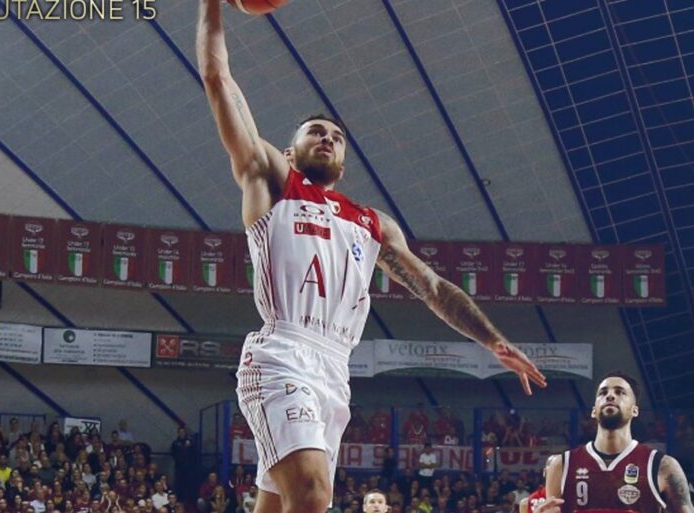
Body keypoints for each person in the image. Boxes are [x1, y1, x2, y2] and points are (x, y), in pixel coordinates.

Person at [196, 2, 547, 513]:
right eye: (316, 132)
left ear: (343, 163)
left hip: (335, 370)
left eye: (337, 137)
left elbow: (433, 288)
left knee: (287, 503)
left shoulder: (372, 223)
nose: (328, 138)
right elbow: (217, 77)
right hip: (284, 351)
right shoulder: (273, 182)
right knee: (313, 495)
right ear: (289, 153)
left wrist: (492, 339)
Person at [535, 371, 694, 513]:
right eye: (603, 392)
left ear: (635, 410)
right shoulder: (562, 465)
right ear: (593, 411)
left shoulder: (662, 465)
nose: (610, 396)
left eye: (620, 392)